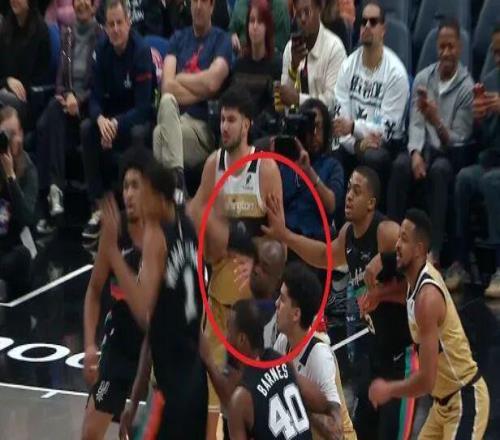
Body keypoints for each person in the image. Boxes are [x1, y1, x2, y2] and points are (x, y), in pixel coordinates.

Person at [263, 166, 417, 440]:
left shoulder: (386, 232)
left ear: (371, 203)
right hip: (377, 355)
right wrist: (285, 235)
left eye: (357, 192)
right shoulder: (348, 234)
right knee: (362, 431)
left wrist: (380, 293)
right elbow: (324, 256)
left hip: (403, 359)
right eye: (348, 189)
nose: (348, 196)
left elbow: (420, 281)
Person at [187, 84, 283, 439]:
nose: (224, 126)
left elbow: (279, 241)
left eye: (231, 120)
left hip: (254, 311)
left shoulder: (265, 169)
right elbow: (194, 217)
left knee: (255, 403)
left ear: (247, 124)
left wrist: (256, 260)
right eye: (222, 119)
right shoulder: (213, 165)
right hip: (218, 307)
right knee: (212, 407)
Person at [100, 159, 207, 439]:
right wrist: (135, 399)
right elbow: (157, 326)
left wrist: (112, 252)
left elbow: (142, 310)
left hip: (170, 392)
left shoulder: (156, 235)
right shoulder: (190, 229)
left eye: (145, 196)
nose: (140, 204)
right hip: (196, 383)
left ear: (160, 198)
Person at [368, 209, 490, 439]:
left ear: (419, 249)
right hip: (441, 406)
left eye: (404, 239)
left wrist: (388, 389)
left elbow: (426, 380)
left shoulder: (428, 299)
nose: (397, 245)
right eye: (398, 238)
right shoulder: (415, 279)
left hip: (464, 399)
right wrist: (379, 295)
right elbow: (405, 293)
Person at [388, 18, 474, 268]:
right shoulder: (424, 78)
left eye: (451, 47)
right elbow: (415, 123)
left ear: (459, 48)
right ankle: (391, 243)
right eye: (441, 46)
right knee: (400, 165)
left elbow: (458, 141)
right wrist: (415, 153)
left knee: (439, 171)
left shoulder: (467, 88)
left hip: (448, 155)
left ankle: (433, 252)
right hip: (421, 148)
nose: (446, 53)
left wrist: (436, 120)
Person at [81, 148, 151, 439]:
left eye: (136, 186)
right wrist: (89, 345)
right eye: (125, 186)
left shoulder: (164, 231)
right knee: (90, 433)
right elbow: (94, 290)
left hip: (154, 347)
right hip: (120, 345)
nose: (129, 194)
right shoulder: (115, 230)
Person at [208, 298, 341, 440]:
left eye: (229, 330)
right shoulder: (281, 360)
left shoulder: (241, 399)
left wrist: (208, 361)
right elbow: (321, 402)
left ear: (242, 339)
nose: (226, 337)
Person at [81, 0, 155, 240]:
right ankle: (98, 205)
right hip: (110, 118)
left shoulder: (141, 50)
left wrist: (115, 124)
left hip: (135, 117)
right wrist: (100, 120)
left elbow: (144, 107)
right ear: (105, 27)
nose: (115, 29)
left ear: (128, 23)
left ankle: (135, 208)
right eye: (110, 24)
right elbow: (94, 97)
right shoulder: (101, 50)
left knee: (138, 134)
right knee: (87, 129)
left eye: (119, 23)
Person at [36, 0, 102, 235]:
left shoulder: (102, 36)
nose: (81, 3)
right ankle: (54, 192)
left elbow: (100, 84)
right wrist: (66, 95)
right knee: (49, 116)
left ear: (94, 5)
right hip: (66, 106)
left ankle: (50, 198)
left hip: (89, 106)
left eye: (86, 0)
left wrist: (78, 100)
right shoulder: (67, 34)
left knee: (47, 122)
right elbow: (60, 82)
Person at [445, 24, 500, 297]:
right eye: (494, 52)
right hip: (492, 157)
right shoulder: (489, 80)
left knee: (492, 182)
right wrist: (480, 119)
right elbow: (484, 137)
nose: (497, 58)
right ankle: (461, 262)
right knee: (465, 179)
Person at [333, 0, 409, 194]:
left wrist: (353, 128)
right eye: (363, 22)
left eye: (373, 22)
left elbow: (386, 131)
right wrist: (357, 145)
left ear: (383, 29)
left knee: (372, 156)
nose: (367, 26)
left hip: (385, 147)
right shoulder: (348, 66)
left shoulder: (396, 73)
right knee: (330, 149)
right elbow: (340, 123)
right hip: (354, 143)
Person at [153, 0, 232, 185]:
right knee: (166, 102)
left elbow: (212, 82)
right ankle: (177, 185)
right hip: (175, 117)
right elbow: (166, 87)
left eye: (203, 2)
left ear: (212, 6)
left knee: (159, 135)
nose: (198, 6)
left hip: (202, 128)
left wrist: (180, 78)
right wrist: (203, 91)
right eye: (194, 1)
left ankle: (170, 192)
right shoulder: (178, 38)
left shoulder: (221, 40)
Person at [274, 261, 355, 440]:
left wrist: (298, 404)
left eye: (282, 299)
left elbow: (336, 432)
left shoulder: (319, 356)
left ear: (296, 314)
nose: (276, 303)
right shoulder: (282, 342)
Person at [280, 98, 344, 243]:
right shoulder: (284, 162)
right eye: (310, 127)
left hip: (317, 238)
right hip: (286, 235)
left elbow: (331, 205)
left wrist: (309, 172)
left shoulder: (333, 166)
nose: (314, 134)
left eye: (318, 127)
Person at [278, 0, 346, 110]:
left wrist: (299, 100)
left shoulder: (335, 48)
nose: (302, 19)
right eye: (298, 14)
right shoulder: (290, 48)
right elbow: (284, 98)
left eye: (307, 12)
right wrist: (293, 67)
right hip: (295, 119)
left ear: (319, 10)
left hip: (326, 120)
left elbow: (333, 101)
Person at [0, 106, 37, 300]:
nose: (10, 140)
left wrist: (11, 177)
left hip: (15, 246)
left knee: (22, 257)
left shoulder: (28, 169)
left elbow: (26, 217)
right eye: (5, 135)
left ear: (21, 134)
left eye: (14, 134)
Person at [230, 0, 282, 138]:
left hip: (263, 132)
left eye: (260, 22)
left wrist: (253, 125)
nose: (254, 26)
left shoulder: (276, 65)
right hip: (238, 128)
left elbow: (276, 107)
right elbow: (232, 98)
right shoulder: (239, 65)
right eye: (251, 21)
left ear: (267, 27)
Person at [0, 0, 50, 128]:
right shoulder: (6, 25)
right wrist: (7, 81)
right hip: (5, 89)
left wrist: (15, 85)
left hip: (27, 98)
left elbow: (41, 77)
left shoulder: (40, 30)